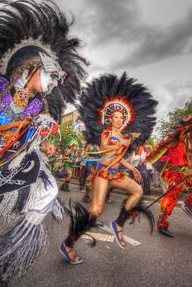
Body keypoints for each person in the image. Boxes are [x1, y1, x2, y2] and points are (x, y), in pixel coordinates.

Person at [0, 0, 88, 284]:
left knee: (48, 190)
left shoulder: (39, 105)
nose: (55, 83)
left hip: (17, 159)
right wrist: (16, 121)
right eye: (52, 75)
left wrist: (41, 135)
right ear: (34, 68)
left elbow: (32, 137)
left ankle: (8, 256)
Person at [60, 72, 157, 264]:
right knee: (95, 211)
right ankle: (68, 244)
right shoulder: (107, 133)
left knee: (137, 191)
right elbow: (106, 150)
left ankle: (118, 224)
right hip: (103, 174)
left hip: (116, 173)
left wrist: (133, 167)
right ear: (111, 119)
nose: (119, 120)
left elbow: (119, 158)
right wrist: (123, 144)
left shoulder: (123, 137)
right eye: (116, 117)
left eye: (122, 117)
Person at [147, 109, 192, 238]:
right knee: (171, 198)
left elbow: (188, 161)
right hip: (173, 173)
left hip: (185, 173)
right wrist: (186, 169)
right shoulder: (175, 140)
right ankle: (161, 223)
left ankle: (188, 204)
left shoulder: (188, 144)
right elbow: (175, 163)